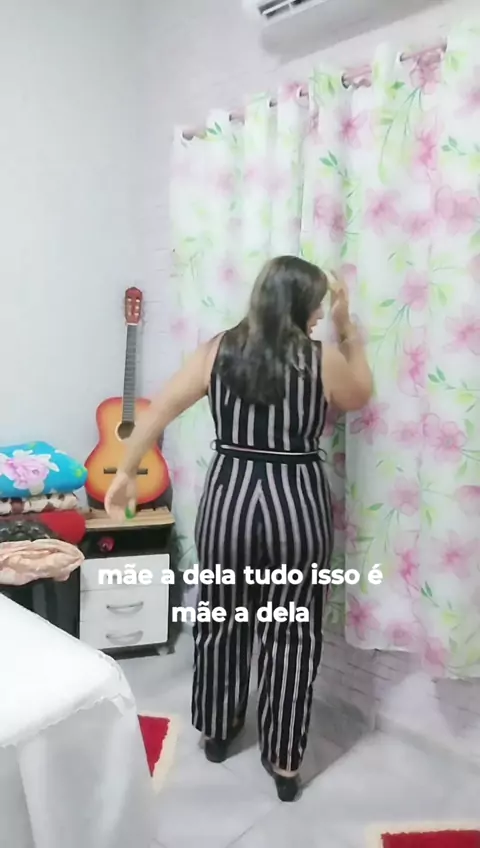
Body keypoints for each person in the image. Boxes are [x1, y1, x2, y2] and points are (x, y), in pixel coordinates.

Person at [105, 256, 373, 802]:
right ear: (299, 303)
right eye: (317, 303)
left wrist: (126, 471)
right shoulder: (322, 359)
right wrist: (350, 334)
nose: (320, 312)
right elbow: (359, 396)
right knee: (292, 627)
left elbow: (157, 412)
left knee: (222, 617)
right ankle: (284, 757)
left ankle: (218, 730)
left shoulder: (217, 350)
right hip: (297, 503)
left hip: (230, 499)